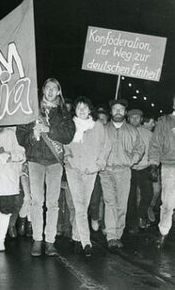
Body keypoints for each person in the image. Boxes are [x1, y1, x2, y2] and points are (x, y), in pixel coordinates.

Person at [16, 78, 75, 257]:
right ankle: (37, 239)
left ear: (59, 92)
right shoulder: (31, 110)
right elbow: (20, 137)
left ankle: (50, 241)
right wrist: (33, 136)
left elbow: (69, 135)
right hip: (35, 160)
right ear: (43, 90)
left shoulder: (64, 113)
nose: (50, 91)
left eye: (54, 88)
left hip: (54, 162)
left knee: (52, 203)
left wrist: (50, 131)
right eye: (47, 88)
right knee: (36, 201)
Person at [64, 97, 111, 257]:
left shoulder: (97, 127)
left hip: (91, 171)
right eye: (78, 107)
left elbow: (106, 147)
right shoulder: (69, 126)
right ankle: (86, 242)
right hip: (74, 170)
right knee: (79, 206)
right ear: (74, 110)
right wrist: (69, 160)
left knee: (83, 206)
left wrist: (98, 165)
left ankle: (77, 237)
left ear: (90, 110)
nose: (82, 110)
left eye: (85, 107)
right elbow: (64, 147)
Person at [99, 99, 144, 250]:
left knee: (122, 204)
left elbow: (140, 148)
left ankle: (118, 234)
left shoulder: (132, 130)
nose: (118, 112)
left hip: (124, 171)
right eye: (115, 109)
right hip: (106, 171)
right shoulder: (103, 129)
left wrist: (133, 159)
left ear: (125, 112)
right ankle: (111, 236)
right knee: (109, 202)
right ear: (110, 111)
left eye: (121, 109)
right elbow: (96, 147)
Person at [149, 94, 175, 249]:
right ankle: (163, 232)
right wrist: (153, 163)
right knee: (168, 203)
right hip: (170, 166)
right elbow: (155, 144)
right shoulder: (163, 121)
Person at [126, 109, 154, 233]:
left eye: (138, 118)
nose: (135, 120)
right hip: (129, 169)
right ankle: (133, 223)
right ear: (128, 118)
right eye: (132, 117)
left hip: (144, 169)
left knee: (148, 194)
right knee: (130, 197)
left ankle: (142, 215)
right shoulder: (124, 132)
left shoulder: (148, 134)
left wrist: (153, 166)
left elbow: (154, 151)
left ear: (142, 119)